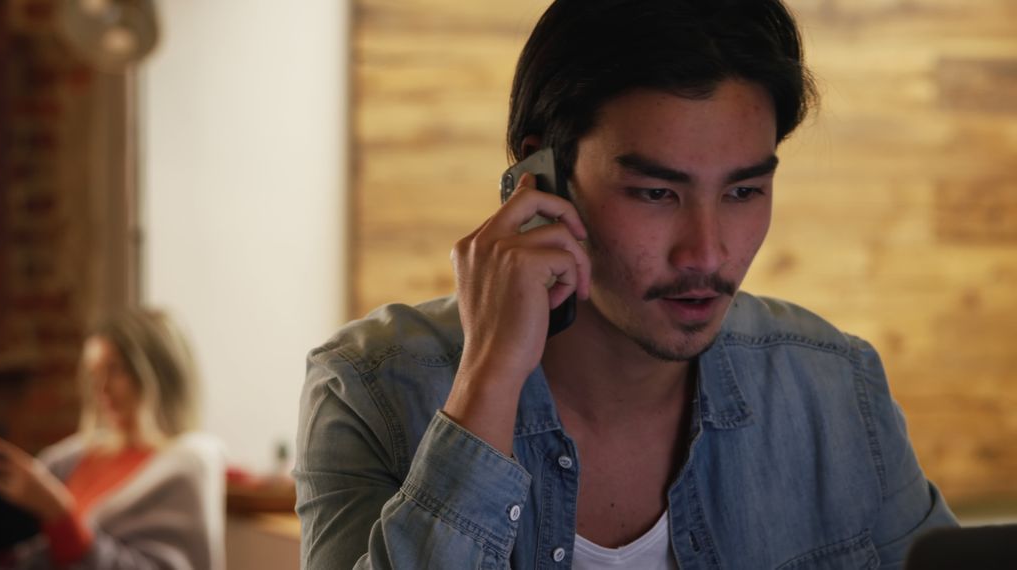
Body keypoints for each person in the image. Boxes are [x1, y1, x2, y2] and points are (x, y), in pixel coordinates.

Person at [294, 0, 958, 568]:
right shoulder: (369, 387)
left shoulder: (838, 389)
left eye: (744, 190)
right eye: (655, 192)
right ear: (539, 175)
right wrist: (489, 380)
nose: (707, 251)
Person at [0, 308, 225, 569]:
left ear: (158, 373)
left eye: (116, 370)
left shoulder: (185, 468)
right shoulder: (69, 459)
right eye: (95, 374)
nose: (101, 388)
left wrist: (61, 516)